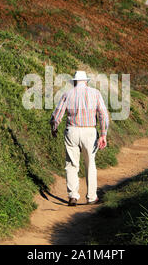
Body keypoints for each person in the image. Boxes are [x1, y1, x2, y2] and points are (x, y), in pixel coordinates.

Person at [50, 71, 109, 206]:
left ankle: (73, 195)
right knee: (90, 164)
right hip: (90, 131)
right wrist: (104, 134)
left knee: (71, 164)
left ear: (75, 81)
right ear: (86, 81)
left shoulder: (67, 94)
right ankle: (91, 197)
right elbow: (103, 115)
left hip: (72, 131)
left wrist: (54, 128)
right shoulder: (95, 93)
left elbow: (57, 114)